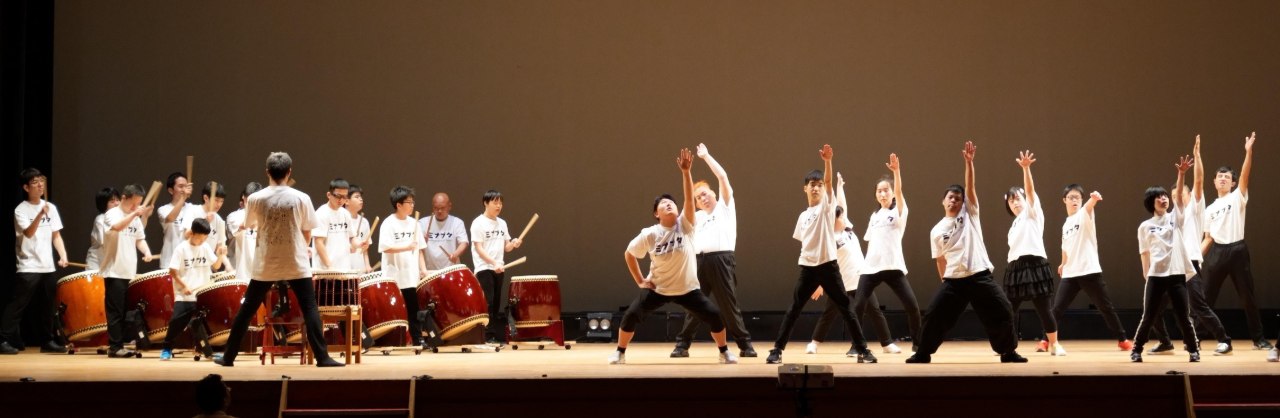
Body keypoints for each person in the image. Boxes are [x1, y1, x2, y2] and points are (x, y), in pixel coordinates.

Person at [213, 151, 343, 367]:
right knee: (310, 308)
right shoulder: (301, 197)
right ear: (289, 171)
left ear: (267, 172)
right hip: (296, 261)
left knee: (247, 310)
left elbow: (250, 224)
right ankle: (323, 357)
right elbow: (307, 232)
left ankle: (228, 357)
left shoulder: (256, 199)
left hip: (266, 262)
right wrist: (299, 246)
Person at [611, 148, 737, 365]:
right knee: (631, 315)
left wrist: (686, 172)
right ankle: (620, 352)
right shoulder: (650, 234)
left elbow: (689, 199)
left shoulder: (686, 226)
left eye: (671, 202)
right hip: (658, 288)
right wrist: (640, 280)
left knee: (715, 315)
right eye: (663, 203)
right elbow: (629, 254)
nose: (668, 204)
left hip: (687, 289)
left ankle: (724, 351)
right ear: (656, 213)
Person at [906, 141, 1026, 364]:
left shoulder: (969, 213)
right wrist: (944, 281)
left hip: (980, 275)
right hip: (954, 280)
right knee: (934, 315)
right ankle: (922, 352)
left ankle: (1008, 352)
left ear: (964, 203)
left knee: (1003, 310)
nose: (954, 200)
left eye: (958, 198)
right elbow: (940, 259)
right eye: (950, 197)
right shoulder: (936, 231)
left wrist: (969, 163)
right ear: (943, 201)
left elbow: (970, 187)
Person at [765, 144, 877, 365]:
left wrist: (827, 161)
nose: (816, 188)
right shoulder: (802, 216)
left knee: (846, 309)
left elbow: (828, 181)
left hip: (828, 267)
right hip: (807, 268)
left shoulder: (826, 207)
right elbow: (805, 241)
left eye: (819, 185)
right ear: (805, 189)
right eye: (811, 185)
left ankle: (862, 350)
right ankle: (777, 350)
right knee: (794, 309)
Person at [670, 143, 757, 358]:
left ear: (713, 194)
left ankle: (745, 345)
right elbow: (680, 222)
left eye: (705, 194)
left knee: (728, 305)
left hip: (721, 261)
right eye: (698, 198)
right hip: (699, 262)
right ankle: (682, 346)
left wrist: (706, 157)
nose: (703, 198)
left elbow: (723, 177)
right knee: (694, 305)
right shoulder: (697, 217)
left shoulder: (724, 208)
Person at [1149, 136, 1233, 355]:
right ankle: (1165, 342)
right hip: (1170, 267)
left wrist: (1197, 155)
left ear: (1188, 195)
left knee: (1199, 307)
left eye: (1180, 193)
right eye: (1173, 195)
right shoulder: (1170, 217)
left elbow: (1199, 181)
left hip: (1189, 265)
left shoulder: (1194, 209)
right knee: (1154, 308)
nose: (1177, 196)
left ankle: (1224, 340)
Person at [806, 174, 897, 356]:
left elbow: (842, 205)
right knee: (829, 314)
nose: (843, 218)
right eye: (839, 217)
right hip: (841, 284)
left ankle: (887, 344)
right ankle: (814, 343)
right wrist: (820, 284)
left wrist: (840, 187)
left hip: (860, 279)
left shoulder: (847, 229)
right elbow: (822, 263)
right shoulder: (830, 239)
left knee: (875, 311)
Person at [1200, 132, 1270, 350]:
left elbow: (1245, 175)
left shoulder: (1237, 197)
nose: (1223, 178)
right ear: (1214, 181)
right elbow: (1208, 238)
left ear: (1232, 183)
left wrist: (1248, 152)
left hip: (1238, 251)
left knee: (1248, 297)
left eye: (1227, 177)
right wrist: (1195, 259)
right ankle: (1196, 338)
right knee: (1205, 298)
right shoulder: (1209, 209)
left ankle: (1259, 339)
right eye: (1220, 176)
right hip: (1217, 252)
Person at [1129, 156, 1201, 363]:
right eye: (1159, 197)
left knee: (1183, 316)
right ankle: (1136, 349)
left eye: (1164, 196)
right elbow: (1144, 252)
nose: (1164, 199)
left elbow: (1178, 199)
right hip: (1156, 276)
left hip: (1176, 275)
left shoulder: (1175, 218)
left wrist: (1181, 173)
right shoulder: (1145, 226)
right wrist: (1146, 274)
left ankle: (1193, 350)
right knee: (1149, 316)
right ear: (1151, 202)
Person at [850, 153, 921, 353]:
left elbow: (899, 191)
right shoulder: (874, 216)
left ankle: (918, 344)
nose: (882, 194)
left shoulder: (898, 212)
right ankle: (857, 346)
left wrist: (896, 172)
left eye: (886, 190)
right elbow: (871, 241)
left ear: (892, 193)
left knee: (912, 306)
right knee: (858, 307)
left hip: (893, 266)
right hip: (871, 268)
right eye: (879, 191)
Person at [1051, 184, 1132, 351]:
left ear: (1082, 200)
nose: (1074, 200)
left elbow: (1089, 205)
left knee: (1105, 307)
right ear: (1064, 200)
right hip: (1070, 273)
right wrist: (1063, 263)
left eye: (1077, 197)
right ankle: (1046, 340)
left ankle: (1122, 339)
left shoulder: (1084, 214)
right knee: (1057, 309)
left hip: (1089, 270)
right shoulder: (1065, 225)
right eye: (1071, 197)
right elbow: (1065, 247)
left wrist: (1093, 198)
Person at [1, 168, 71, 354]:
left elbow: (56, 235)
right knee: (18, 305)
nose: (40, 185)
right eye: (34, 182)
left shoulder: (51, 208)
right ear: (26, 187)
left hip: (47, 264)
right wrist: (40, 214)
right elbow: (29, 233)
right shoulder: (21, 210)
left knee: (48, 306)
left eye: (41, 181)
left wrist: (63, 255)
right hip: (28, 264)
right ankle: (4, 339)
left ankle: (47, 340)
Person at [1001, 151, 1063, 356]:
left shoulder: (1032, 212)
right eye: (1011, 201)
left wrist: (1026, 169)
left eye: (1017, 198)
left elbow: (1030, 190)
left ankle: (1054, 344)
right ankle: (1007, 344)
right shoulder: (1013, 226)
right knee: (1009, 310)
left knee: (1044, 309)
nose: (1015, 202)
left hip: (1035, 263)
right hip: (1015, 267)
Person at [99, 184, 156, 358]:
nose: (135, 207)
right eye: (133, 203)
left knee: (124, 311)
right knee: (115, 311)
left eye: (138, 204)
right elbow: (117, 227)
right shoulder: (112, 214)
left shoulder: (135, 218)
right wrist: (134, 214)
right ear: (124, 198)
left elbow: (139, 239)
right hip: (114, 270)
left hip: (129, 270)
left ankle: (120, 344)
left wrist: (146, 252)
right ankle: (115, 347)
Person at [161, 218, 226, 360]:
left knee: (202, 323)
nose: (203, 240)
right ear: (192, 233)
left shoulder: (205, 247)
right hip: (185, 294)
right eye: (200, 237)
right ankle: (166, 348)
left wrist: (221, 255)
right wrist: (184, 286)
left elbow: (216, 266)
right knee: (176, 322)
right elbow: (172, 271)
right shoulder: (181, 248)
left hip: (202, 293)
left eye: (205, 238)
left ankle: (207, 351)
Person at [379, 186, 429, 347]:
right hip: (394, 276)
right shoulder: (388, 223)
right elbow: (385, 247)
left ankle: (417, 339)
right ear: (398, 204)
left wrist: (423, 269)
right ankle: (394, 340)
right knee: (395, 310)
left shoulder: (414, 223)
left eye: (413, 202)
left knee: (414, 310)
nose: (412, 205)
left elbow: (419, 250)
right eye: (409, 202)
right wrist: (406, 247)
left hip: (411, 275)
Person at [471, 189, 522, 343]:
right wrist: (493, 263)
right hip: (484, 267)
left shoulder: (502, 223)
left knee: (496, 303)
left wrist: (514, 243)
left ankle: (491, 335)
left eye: (500, 203)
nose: (499, 206)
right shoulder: (478, 223)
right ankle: (487, 335)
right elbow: (479, 249)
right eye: (495, 202)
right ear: (486, 203)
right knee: (488, 301)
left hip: (499, 268)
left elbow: (507, 247)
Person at [157, 172, 197, 270]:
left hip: (189, 261)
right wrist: (183, 198)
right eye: (180, 186)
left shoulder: (193, 208)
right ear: (171, 190)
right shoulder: (163, 209)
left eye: (186, 186)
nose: (184, 189)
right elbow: (171, 218)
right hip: (169, 261)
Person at [420, 193, 469, 271]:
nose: (439, 211)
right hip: (429, 270)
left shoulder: (457, 222)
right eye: (436, 208)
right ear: (433, 207)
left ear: (449, 206)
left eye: (442, 208)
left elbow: (463, 242)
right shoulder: (423, 223)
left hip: (452, 269)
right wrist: (422, 242)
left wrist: (455, 254)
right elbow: (417, 247)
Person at [312, 178, 353, 271]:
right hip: (325, 270)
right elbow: (318, 243)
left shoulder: (346, 214)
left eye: (344, 197)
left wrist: (358, 244)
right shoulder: (321, 213)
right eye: (338, 196)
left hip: (344, 268)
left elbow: (352, 237)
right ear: (329, 195)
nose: (341, 200)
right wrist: (329, 266)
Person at [226, 182, 263, 277]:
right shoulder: (234, 216)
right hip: (242, 272)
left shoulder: (265, 216)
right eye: (249, 200)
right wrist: (253, 220)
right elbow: (240, 227)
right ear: (243, 197)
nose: (252, 204)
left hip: (261, 272)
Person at [188, 182, 228, 259]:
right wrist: (205, 222)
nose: (219, 204)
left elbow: (220, 248)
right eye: (216, 200)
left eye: (222, 201)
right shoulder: (193, 211)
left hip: (207, 263)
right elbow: (186, 235)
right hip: (190, 260)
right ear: (206, 198)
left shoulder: (219, 221)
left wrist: (226, 263)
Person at [86, 187, 121, 270]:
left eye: (117, 200)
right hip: (97, 263)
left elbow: (136, 234)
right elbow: (105, 242)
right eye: (112, 201)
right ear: (104, 204)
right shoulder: (100, 219)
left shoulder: (122, 219)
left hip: (112, 264)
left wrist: (144, 216)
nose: (116, 203)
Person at [345, 185, 372, 272]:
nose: (361, 199)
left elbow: (365, 249)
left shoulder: (364, 221)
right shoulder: (341, 219)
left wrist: (367, 265)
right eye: (357, 197)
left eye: (361, 197)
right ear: (346, 201)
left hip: (360, 267)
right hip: (344, 267)